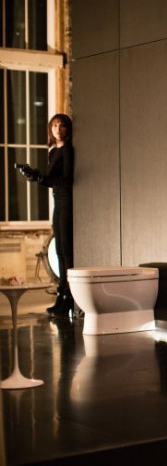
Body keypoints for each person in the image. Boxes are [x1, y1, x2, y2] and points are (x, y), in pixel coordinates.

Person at [19, 114, 75, 316]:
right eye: (55, 126)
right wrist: (36, 176)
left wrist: (40, 177)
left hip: (66, 201)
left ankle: (69, 296)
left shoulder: (67, 150)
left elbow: (66, 180)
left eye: (62, 126)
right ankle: (61, 294)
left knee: (66, 250)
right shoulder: (53, 151)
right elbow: (52, 180)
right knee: (59, 249)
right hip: (57, 201)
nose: (58, 130)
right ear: (50, 129)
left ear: (68, 129)